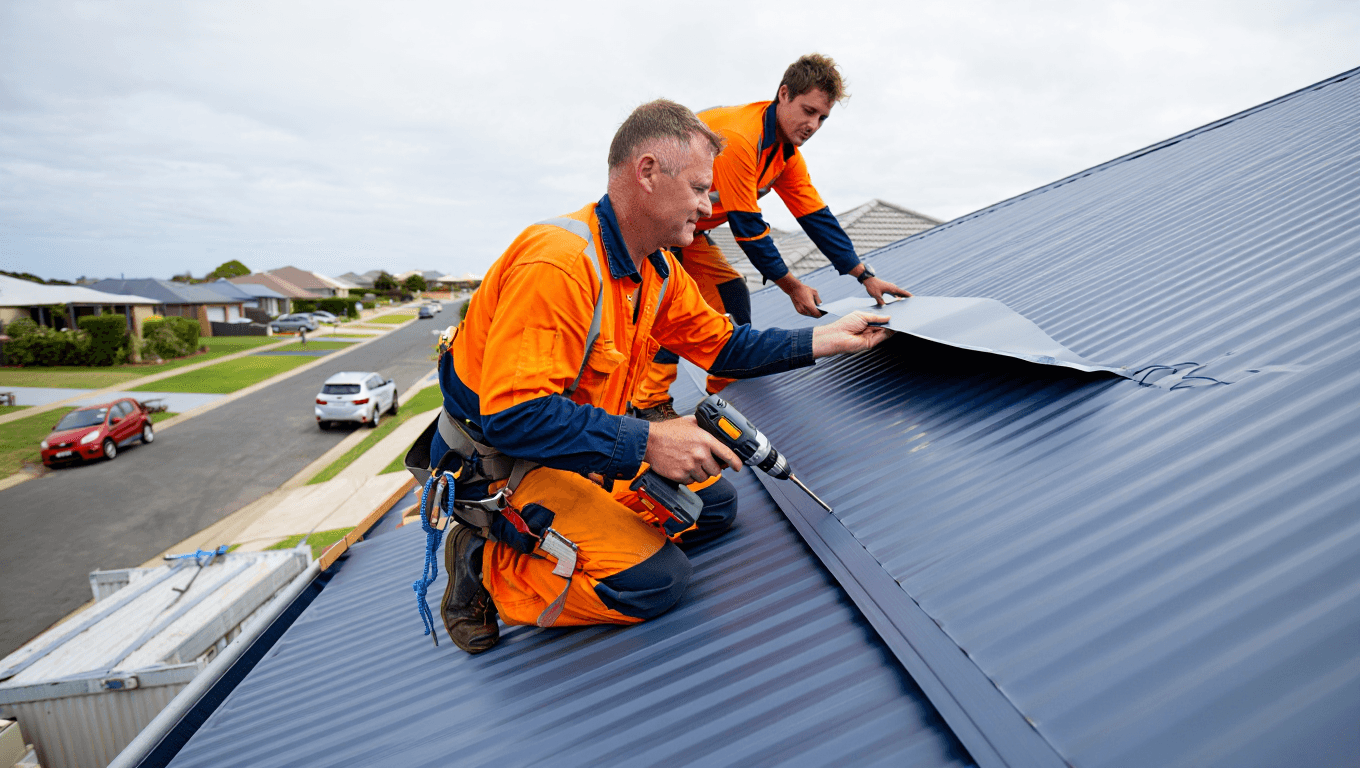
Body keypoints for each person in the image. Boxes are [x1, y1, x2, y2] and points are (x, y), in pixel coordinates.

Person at [430, 99, 890, 654]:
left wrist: (828, 338)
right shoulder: (560, 265)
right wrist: (650, 441)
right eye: (699, 189)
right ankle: (486, 560)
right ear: (647, 172)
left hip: (574, 450)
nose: (709, 206)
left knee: (713, 508)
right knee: (654, 581)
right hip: (503, 464)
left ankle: (579, 528)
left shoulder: (657, 268)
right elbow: (514, 417)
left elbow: (723, 347)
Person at [630, 54, 912, 421]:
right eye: (808, 111)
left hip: (690, 231)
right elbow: (748, 229)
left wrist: (864, 275)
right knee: (670, 307)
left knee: (731, 294)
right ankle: (647, 405)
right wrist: (792, 286)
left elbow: (817, 219)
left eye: (822, 118)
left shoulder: (785, 155)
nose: (813, 125)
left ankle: (728, 389)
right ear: (784, 95)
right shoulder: (739, 139)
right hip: (657, 223)